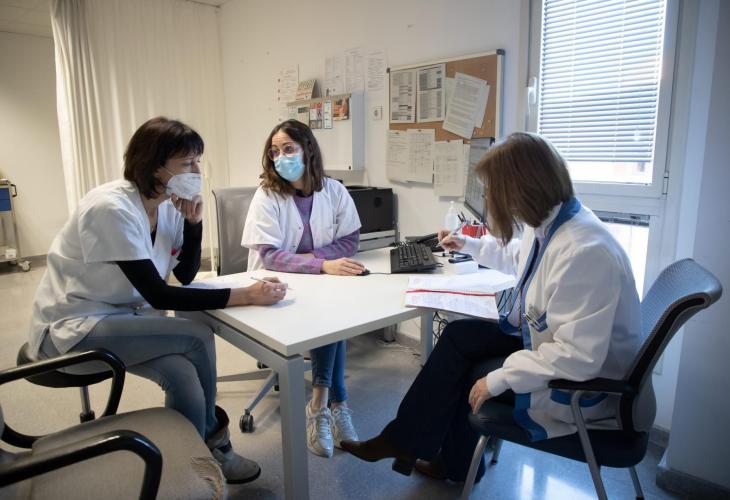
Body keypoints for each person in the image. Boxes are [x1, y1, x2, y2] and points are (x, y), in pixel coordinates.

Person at [341, 132, 641, 483]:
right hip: (553, 346)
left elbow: (577, 357)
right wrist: (469, 244)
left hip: (582, 385)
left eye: (492, 192)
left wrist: (498, 379)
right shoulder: (553, 222)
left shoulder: (585, 251)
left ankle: (446, 461)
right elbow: (520, 256)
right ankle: (409, 443)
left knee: (469, 372)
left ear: (520, 190)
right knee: (458, 336)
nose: (490, 200)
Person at [28, 117, 289, 484]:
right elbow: (159, 293)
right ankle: (214, 445)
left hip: (123, 318)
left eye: (198, 161)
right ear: (154, 166)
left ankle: (185, 465)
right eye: (187, 163)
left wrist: (194, 225)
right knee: (196, 336)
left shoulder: (168, 205)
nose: (197, 172)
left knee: (182, 375)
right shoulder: (111, 208)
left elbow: (185, 275)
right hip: (74, 326)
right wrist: (245, 295)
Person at [241, 119, 364, 458]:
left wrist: (313, 259)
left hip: (322, 286)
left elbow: (350, 240)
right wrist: (321, 264)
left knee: (333, 314)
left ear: (308, 149)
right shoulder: (267, 195)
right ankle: (332, 404)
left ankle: (324, 404)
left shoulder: (334, 190)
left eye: (288, 149)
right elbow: (269, 255)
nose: (281, 157)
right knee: (330, 319)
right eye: (275, 151)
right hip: (275, 289)